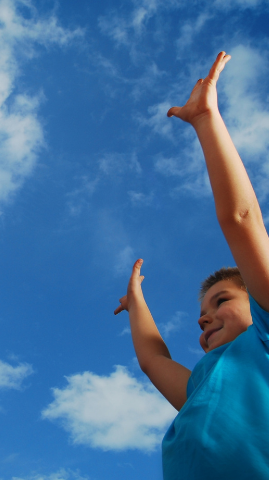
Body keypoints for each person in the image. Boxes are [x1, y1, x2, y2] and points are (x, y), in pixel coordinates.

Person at [115, 52, 269, 479]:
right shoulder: (201, 386)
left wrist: (205, 119)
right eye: (202, 316)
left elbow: (241, 219)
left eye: (220, 301)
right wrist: (137, 303)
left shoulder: (264, 339)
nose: (204, 320)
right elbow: (152, 359)